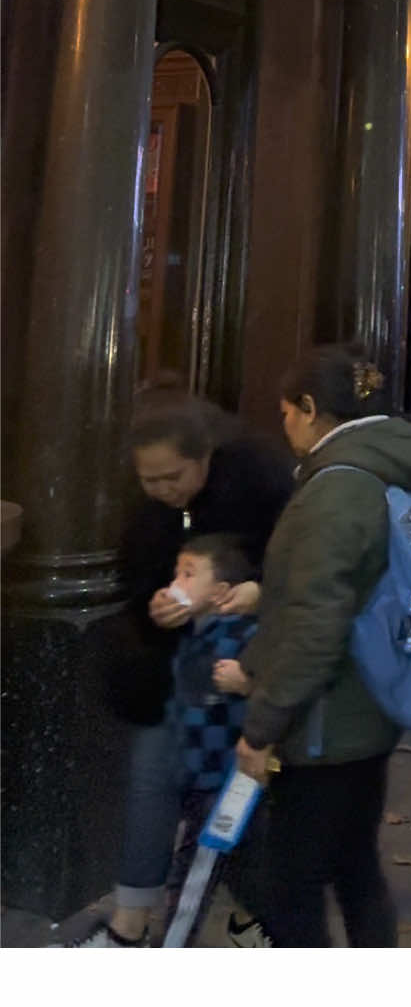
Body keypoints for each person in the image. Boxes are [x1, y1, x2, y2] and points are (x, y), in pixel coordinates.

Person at [235, 344, 411, 947]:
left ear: (308, 408)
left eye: (286, 415)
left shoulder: (335, 490)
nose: (285, 429)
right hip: (370, 707)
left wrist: (263, 725)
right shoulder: (381, 469)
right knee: (355, 868)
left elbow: (316, 626)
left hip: (326, 722)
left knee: (295, 886)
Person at [73, 393, 292, 947]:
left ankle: (259, 920)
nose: (163, 490)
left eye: (172, 476)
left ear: (205, 456)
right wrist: (155, 606)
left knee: (236, 805)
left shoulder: (260, 485)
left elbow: (299, 574)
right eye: (149, 480)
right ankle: (129, 925)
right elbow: (137, 573)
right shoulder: (147, 512)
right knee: (154, 780)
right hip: (172, 674)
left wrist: (255, 593)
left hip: (244, 674)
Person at [158, 535, 263, 941]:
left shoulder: (241, 638)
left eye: (188, 574)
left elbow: (276, 687)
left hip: (222, 781)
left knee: (192, 877)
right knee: (242, 867)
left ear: (220, 592)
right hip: (195, 775)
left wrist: (248, 683)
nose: (175, 583)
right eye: (176, 572)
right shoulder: (193, 633)